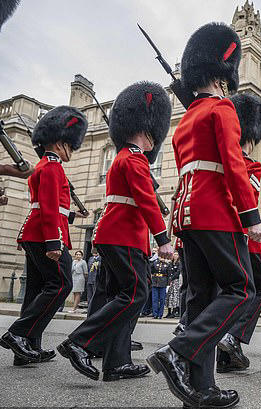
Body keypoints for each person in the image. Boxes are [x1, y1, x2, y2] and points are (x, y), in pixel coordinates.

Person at [146, 23, 261, 409]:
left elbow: (187, 172)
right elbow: (232, 164)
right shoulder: (222, 108)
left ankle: (200, 388)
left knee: (200, 300)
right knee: (241, 289)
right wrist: (250, 216)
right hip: (218, 213)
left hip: (187, 216)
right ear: (222, 75)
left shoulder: (185, 122)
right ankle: (178, 350)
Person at [58, 81, 174, 382]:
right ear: (147, 131)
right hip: (123, 236)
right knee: (135, 294)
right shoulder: (135, 160)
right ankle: (79, 341)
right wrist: (163, 240)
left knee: (120, 295)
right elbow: (147, 203)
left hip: (112, 235)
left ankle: (117, 362)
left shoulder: (123, 158)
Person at [0, 106, 87, 367]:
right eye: (71, 145)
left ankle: (27, 348)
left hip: (37, 231)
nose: (72, 150)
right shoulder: (51, 167)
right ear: (60, 143)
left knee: (36, 289)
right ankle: (18, 333)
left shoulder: (44, 166)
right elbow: (47, 207)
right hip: (44, 235)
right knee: (61, 285)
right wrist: (53, 242)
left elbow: (50, 207)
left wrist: (71, 217)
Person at [217, 93, 261, 373]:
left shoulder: (225, 157)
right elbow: (247, 195)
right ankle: (233, 337)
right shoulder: (250, 165)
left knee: (229, 291)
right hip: (244, 236)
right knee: (257, 289)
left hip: (219, 233)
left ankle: (225, 357)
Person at [166, 252, 182, 318]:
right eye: (174, 254)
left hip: (176, 281)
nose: (175, 256)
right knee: (169, 296)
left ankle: (174, 311)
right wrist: (169, 279)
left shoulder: (179, 263)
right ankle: (169, 312)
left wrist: (172, 278)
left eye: (176, 254)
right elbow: (168, 271)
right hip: (170, 282)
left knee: (175, 297)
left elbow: (178, 272)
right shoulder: (170, 263)